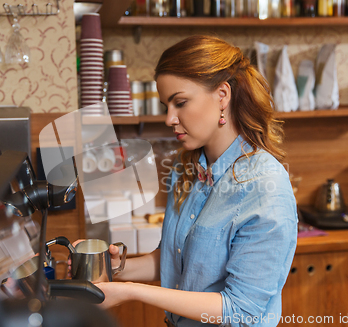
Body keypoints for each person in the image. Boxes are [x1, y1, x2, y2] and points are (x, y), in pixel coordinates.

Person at [84, 35, 298, 327]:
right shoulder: (187, 171)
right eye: (166, 106)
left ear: (222, 95)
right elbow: (175, 261)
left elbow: (241, 311)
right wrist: (111, 268)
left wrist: (129, 292)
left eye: (180, 102)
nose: (169, 118)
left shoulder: (264, 185)